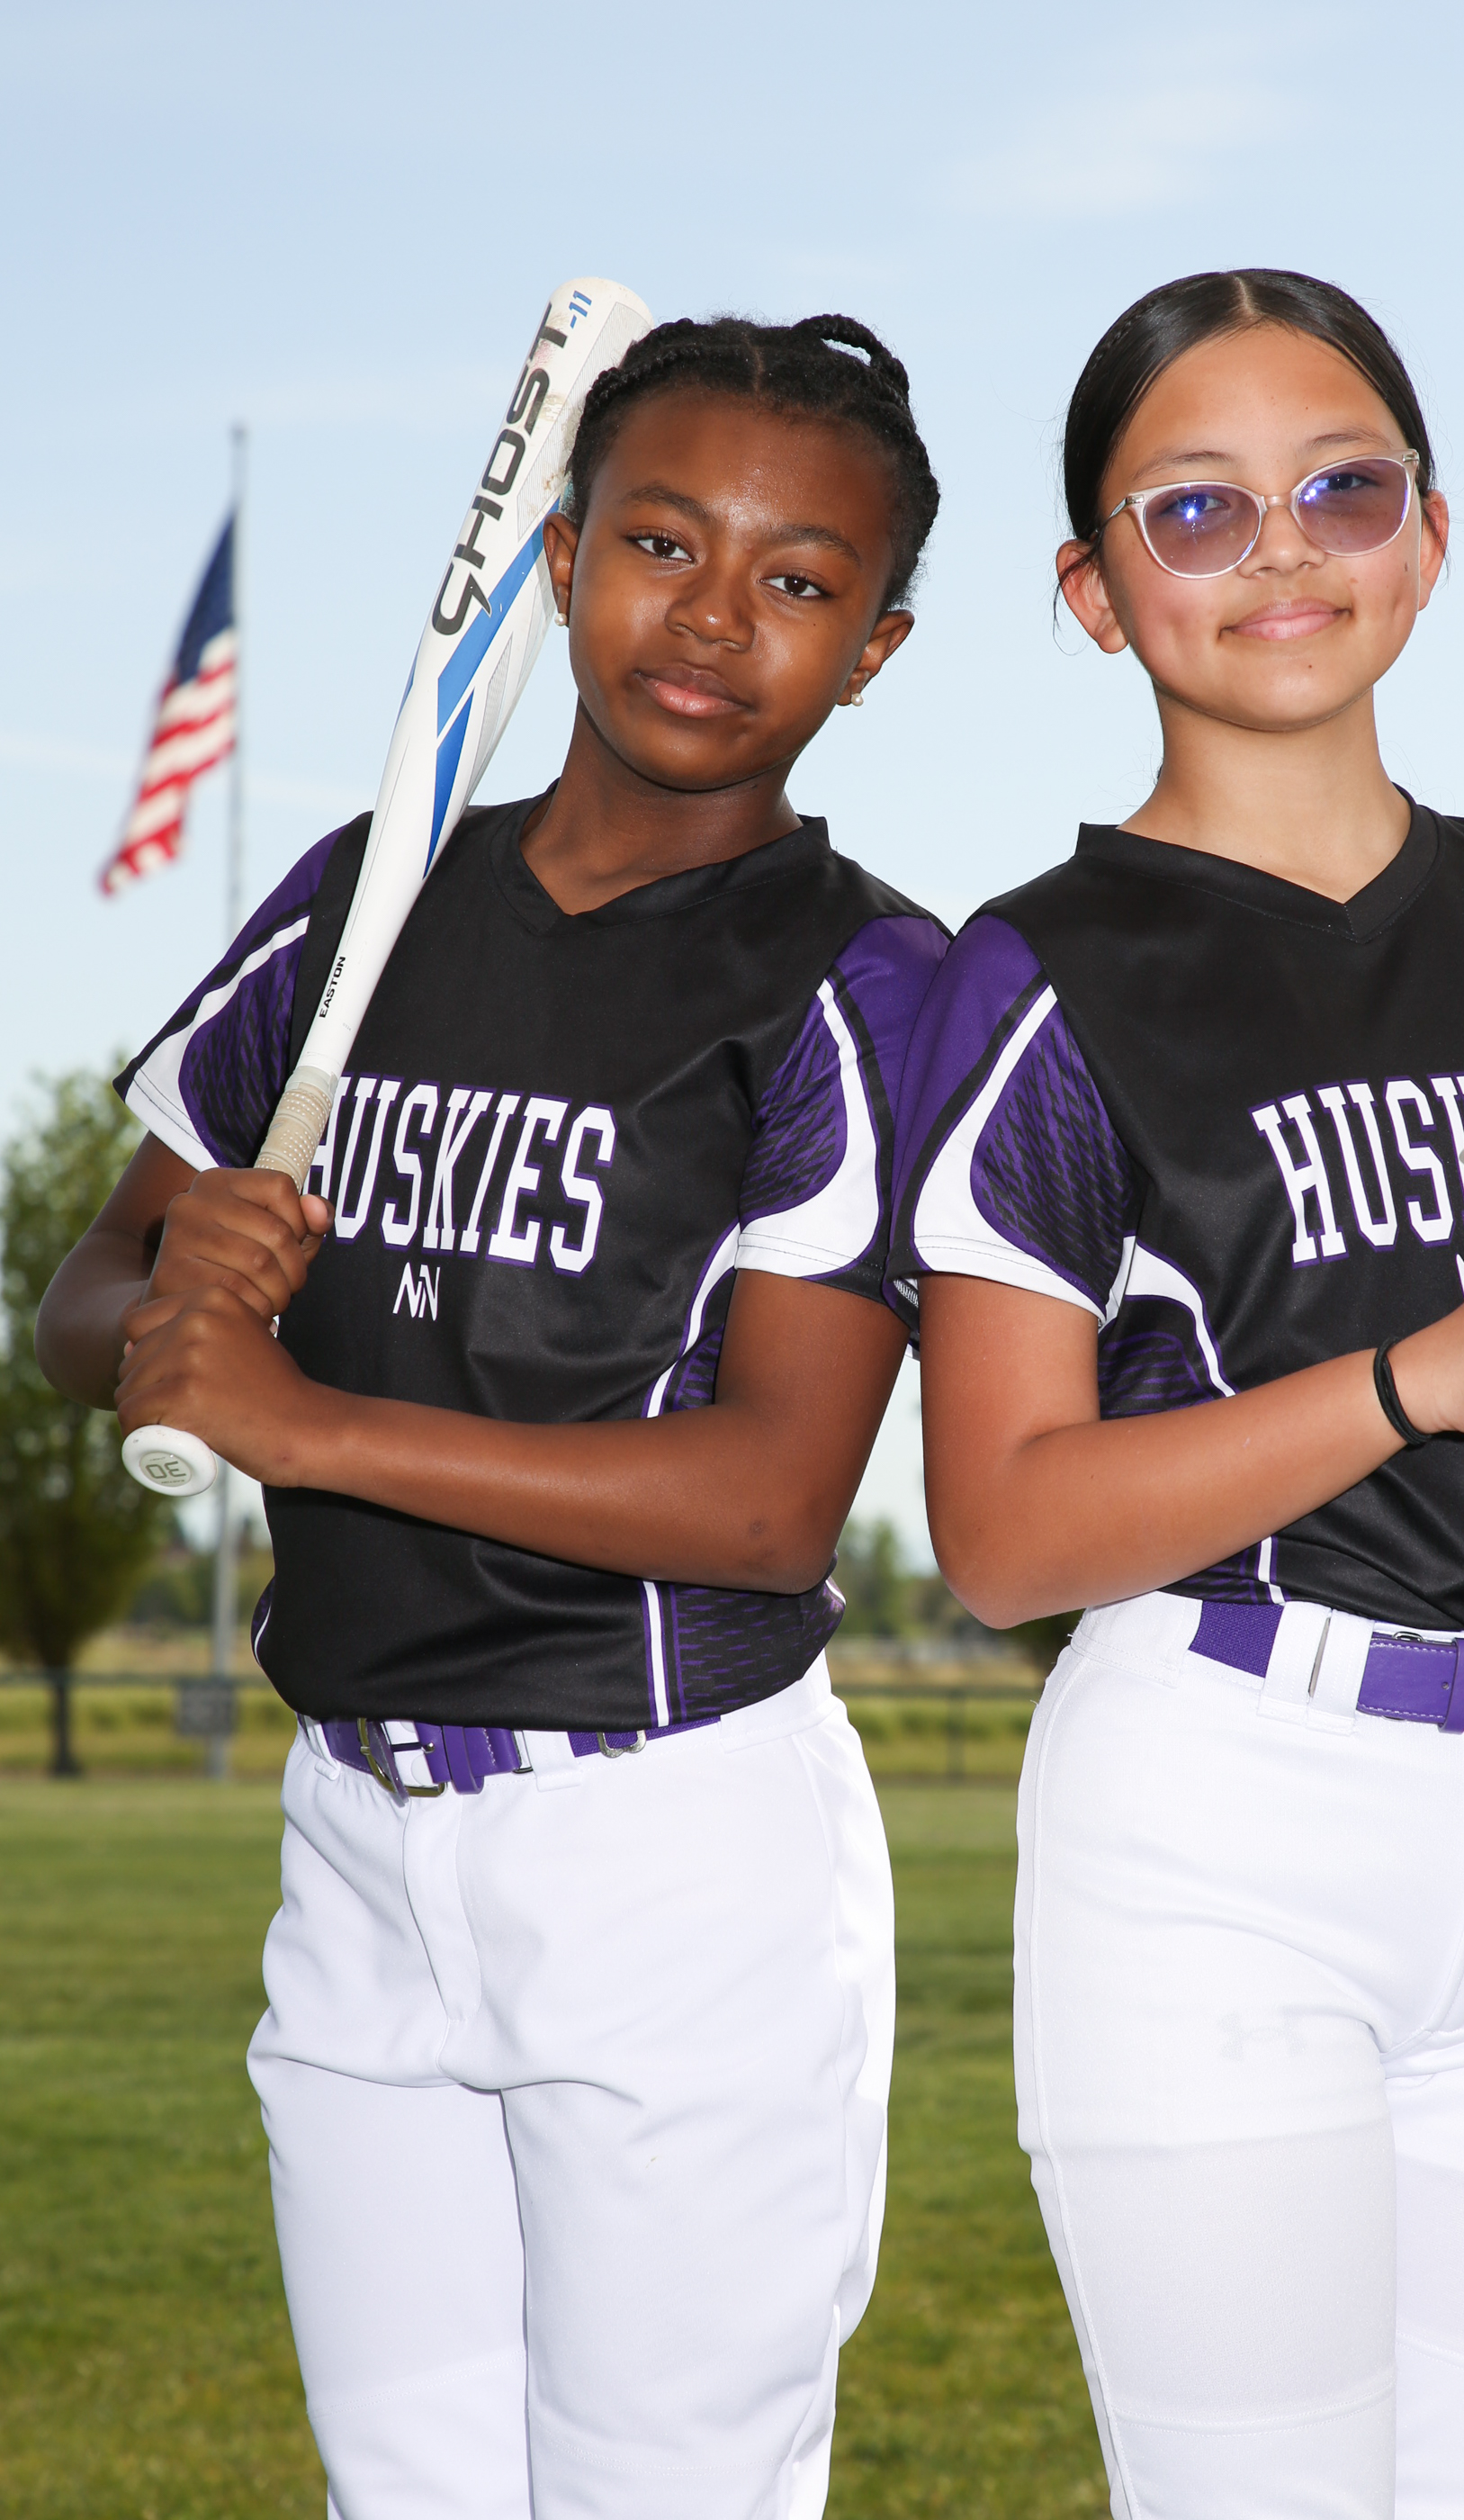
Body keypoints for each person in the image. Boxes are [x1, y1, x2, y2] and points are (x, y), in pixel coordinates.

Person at [888, 269, 1464, 2520]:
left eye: (1343, 490)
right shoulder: (1041, 976)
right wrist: (1431, 1368)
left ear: (1428, 543)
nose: (1280, 548)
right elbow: (1001, 1530)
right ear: (1093, 592)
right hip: (1230, 1812)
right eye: (1194, 510)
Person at [40, 311, 947, 2520]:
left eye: (797, 578)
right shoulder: (368, 894)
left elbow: (770, 1498)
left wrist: (305, 1420)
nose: (712, 615)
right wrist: (175, 1294)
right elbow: (91, 1300)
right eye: (658, 540)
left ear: (876, 649)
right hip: (357, 1823)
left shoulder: (865, 975)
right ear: (557, 560)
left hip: (666, 1842)